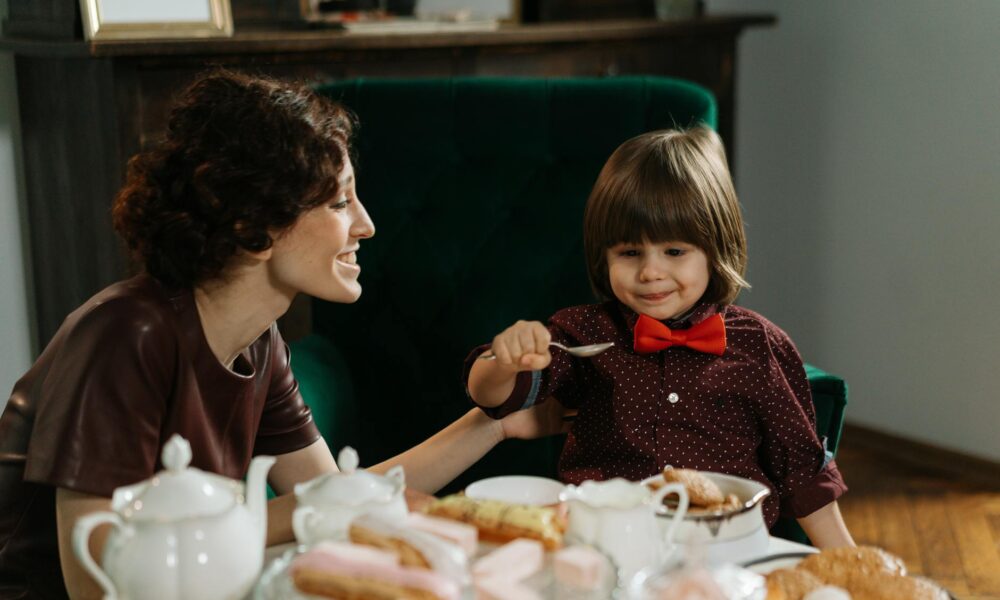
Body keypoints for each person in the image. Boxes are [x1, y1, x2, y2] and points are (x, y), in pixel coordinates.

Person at [0, 70, 568, 600]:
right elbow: (91, 583)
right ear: (255, 225)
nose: (366, 224)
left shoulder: (259, 341)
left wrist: (492, 424)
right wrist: (295, 513)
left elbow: (345, 493)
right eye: (340, 201)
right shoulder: (126, 335)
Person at [465, 127, 855, 548]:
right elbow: (493, 398)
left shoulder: (761, 345)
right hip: (605, 544)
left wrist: (851, 569)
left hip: (727, 551)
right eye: (630, 253)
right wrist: (503, 361)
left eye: (674, 252)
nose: (650, 273)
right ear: (604, 256)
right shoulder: (582, 334)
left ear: (716, 248)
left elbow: (803, 475)